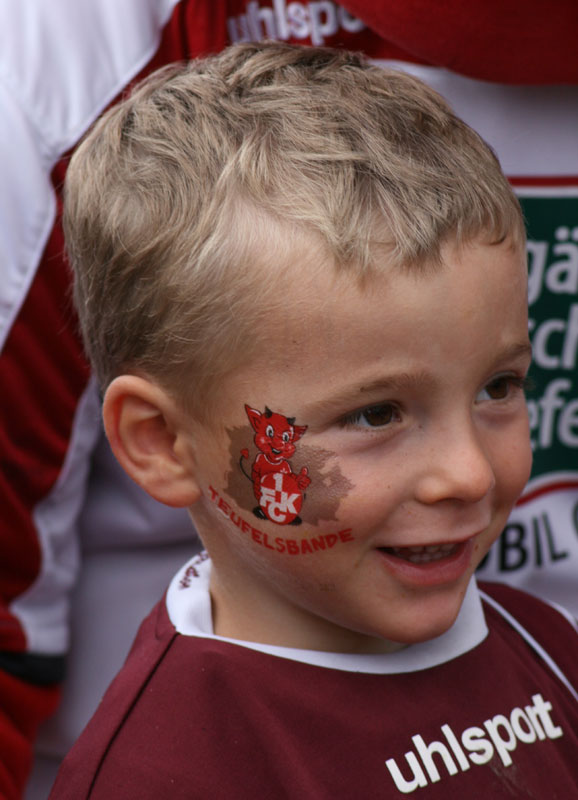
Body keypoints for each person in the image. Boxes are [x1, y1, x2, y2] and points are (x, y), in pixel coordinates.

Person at [0, 3, 575, 798]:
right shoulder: (165, 771)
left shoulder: (543, 648)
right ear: (163, 442)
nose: (469, 475)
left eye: (499, 389)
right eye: (375, 414)